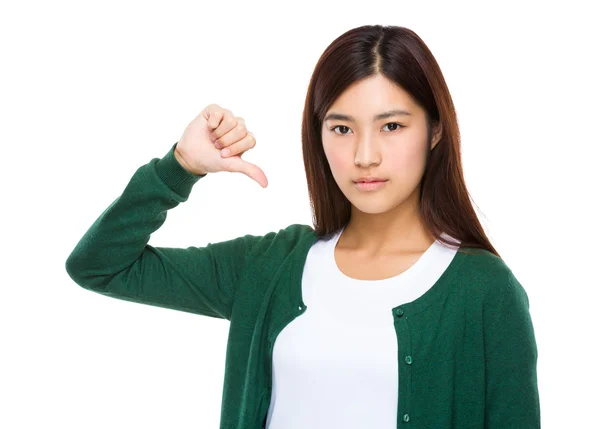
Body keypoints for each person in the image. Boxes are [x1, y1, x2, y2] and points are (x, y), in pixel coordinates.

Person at [65, 24, 540, 429]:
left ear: (435, 130)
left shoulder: (485, 293)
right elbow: (99, 266)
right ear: (318, 136)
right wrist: (181, 166)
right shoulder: (271, 266)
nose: (364, 155)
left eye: (392, 126)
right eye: (341, 128)